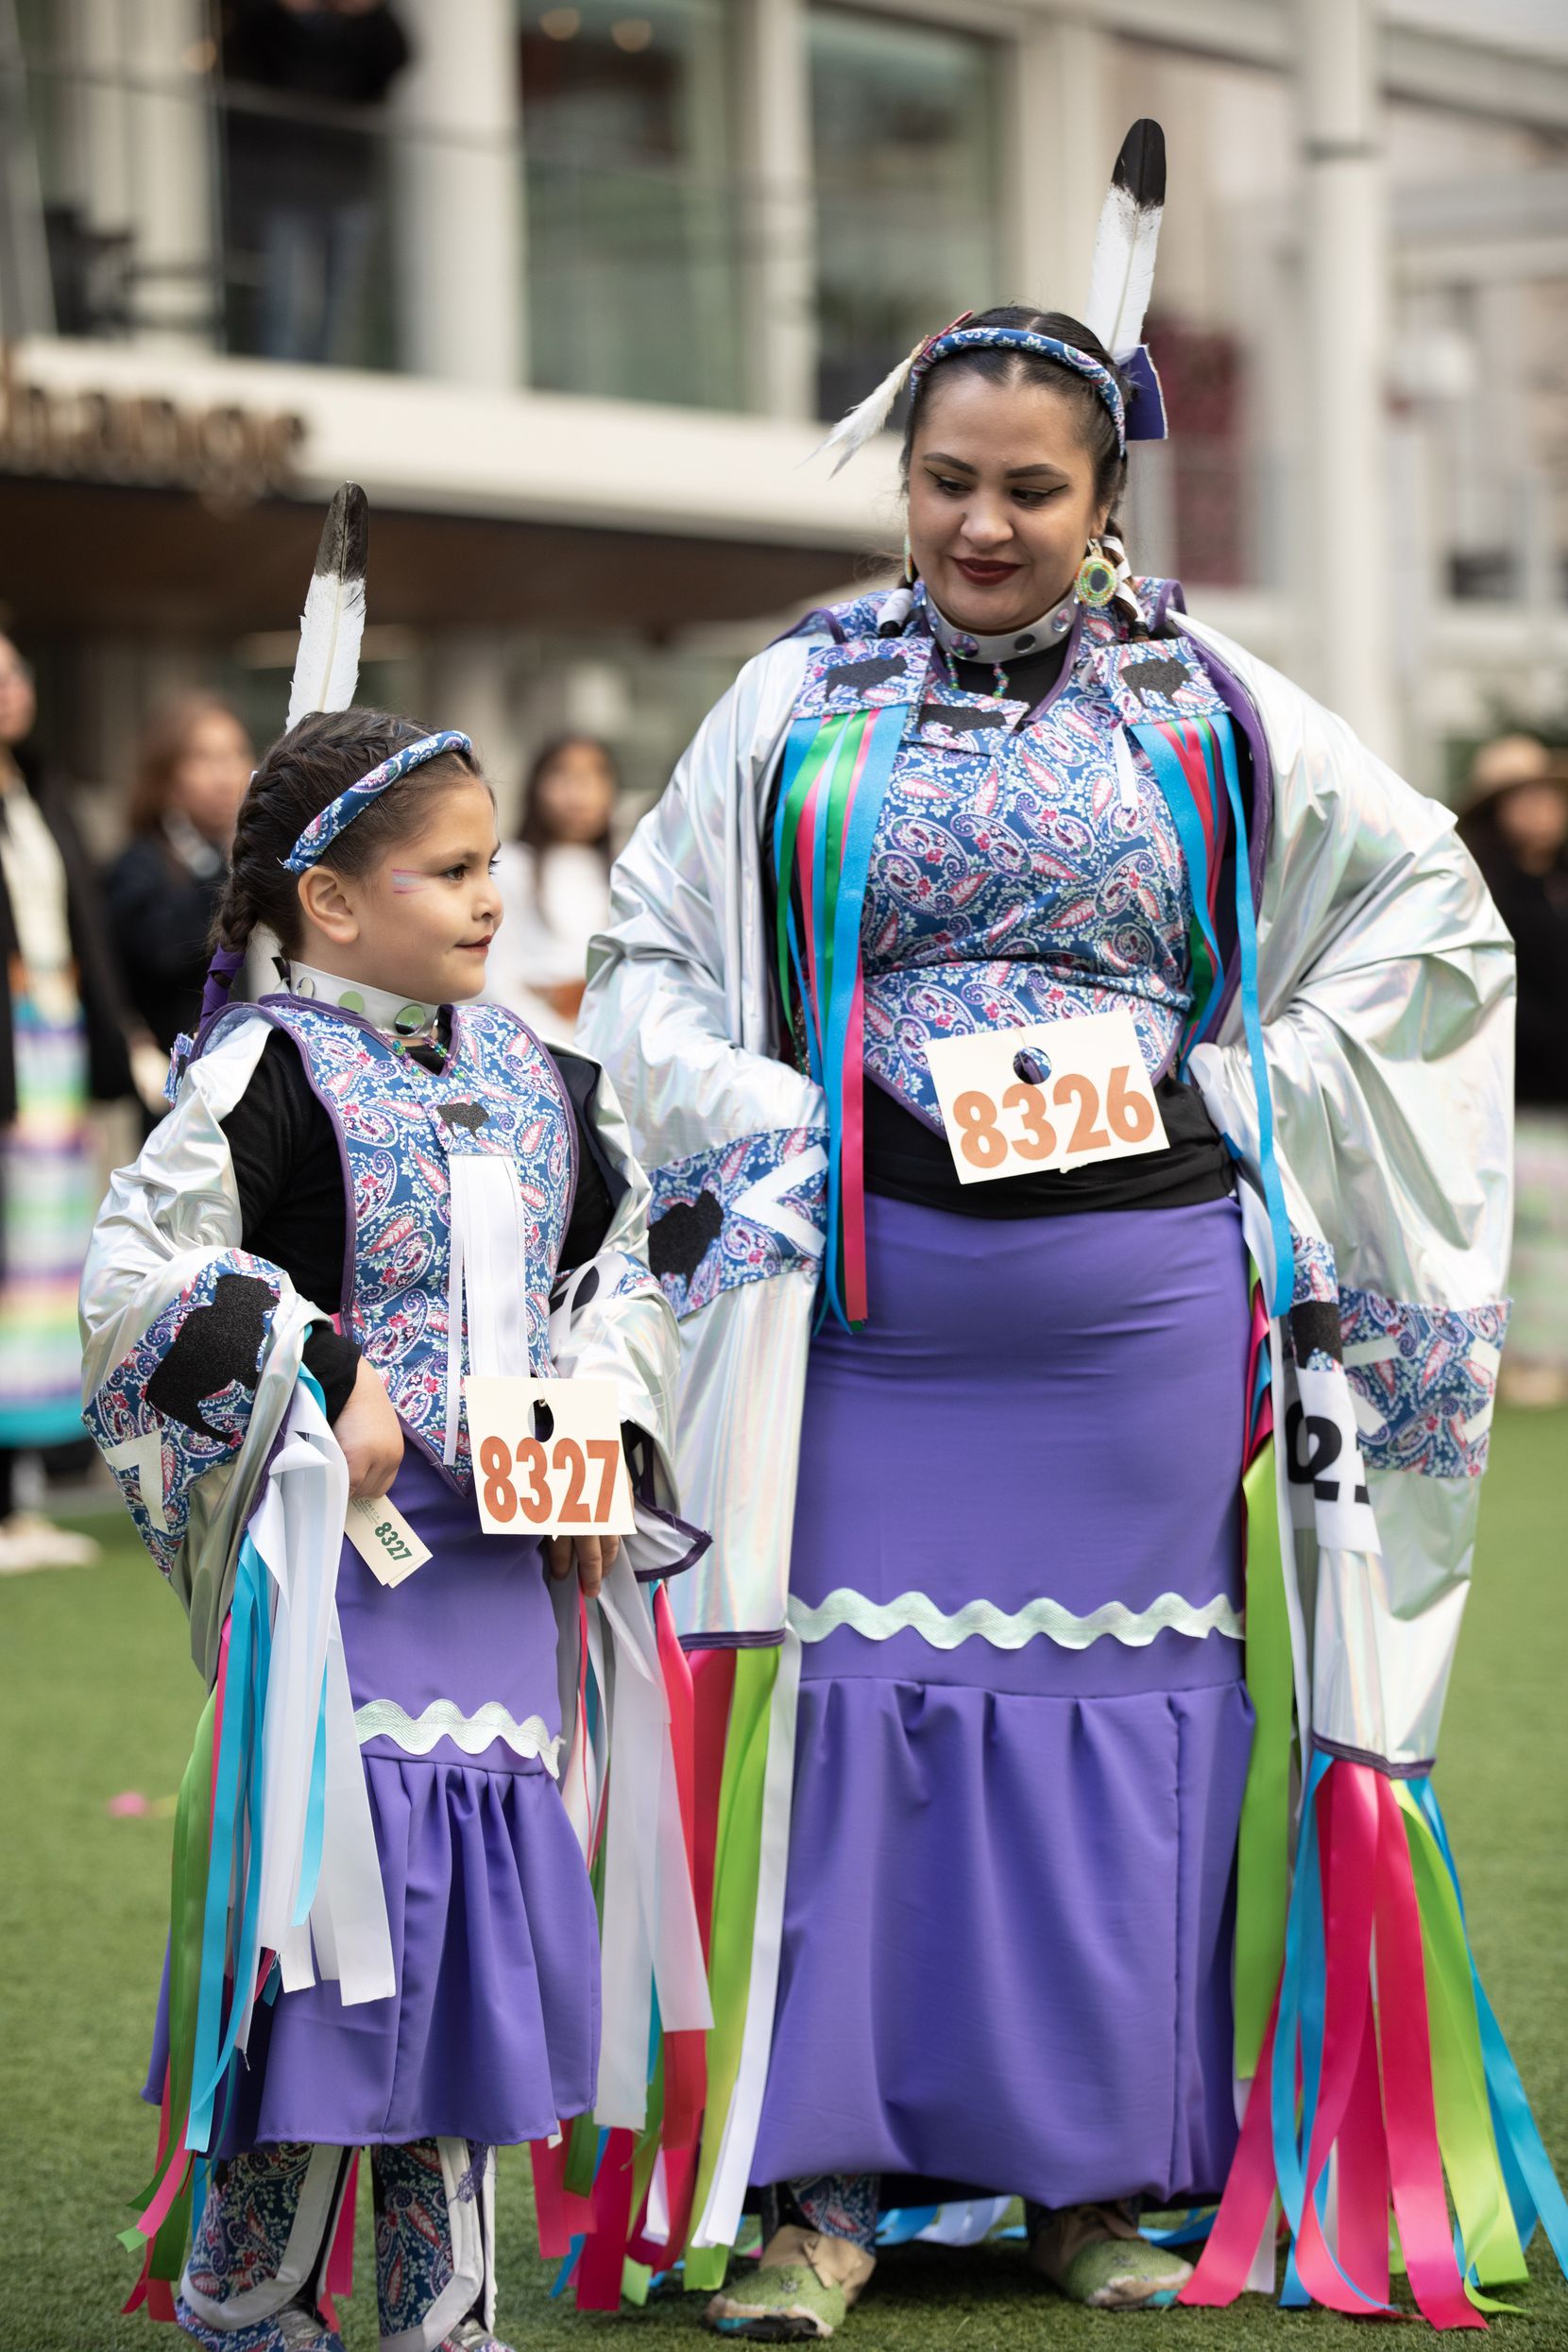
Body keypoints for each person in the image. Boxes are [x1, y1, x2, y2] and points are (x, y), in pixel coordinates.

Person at [578, 122, 1563, 2336]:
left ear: (1108, 497)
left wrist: (1231, 1085)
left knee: (1138, 1733)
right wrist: (750, 1099)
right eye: (948, 479)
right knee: (854, 1718)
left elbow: (1430, 920)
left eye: (1032, 487)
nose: (984, 523)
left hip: (1132, 1307)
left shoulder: (1212, 707)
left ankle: (1098, 2174)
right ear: (900, 476)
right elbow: (641, 965)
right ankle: (826, 2187)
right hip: (870, 1308)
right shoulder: (792, 703)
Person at [79, 494, 707, 2352]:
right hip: (344, 1586)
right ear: (328, 904)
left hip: (509, 1578)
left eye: (492, 858)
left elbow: (633, 1270)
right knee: (323, 1926)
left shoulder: (546, 1073)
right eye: (446, 871)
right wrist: (317, 1363)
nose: (491, 894)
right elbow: (145, 1283)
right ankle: (247, 2289)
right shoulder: (267, 1072)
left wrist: (600, 1420)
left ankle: (441, 2302)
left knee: (472, 1933)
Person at [0, 631, 135, 1574]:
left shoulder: (42, 794)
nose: (9, 689)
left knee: (45, 1276)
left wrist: (117, 1042)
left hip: (49, 1048)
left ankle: (24, 1496)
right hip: (11, 1050)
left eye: (13, 670)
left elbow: (85, 933)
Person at [1458, 733, 1568, 1408]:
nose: (1538, 809)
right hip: (1511, 1093)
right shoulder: (1479, 890)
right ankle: (1523, 1360)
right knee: (1522, 1231)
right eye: (1520, 797)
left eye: (1545, 794)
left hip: (1557, 1094)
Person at [220, 0, 411, 366]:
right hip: (286, 185)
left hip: (347, 184)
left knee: (341, 303)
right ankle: (280, 380)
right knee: (283, 300)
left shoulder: (354, 31)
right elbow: (245, 64)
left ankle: (332, 377)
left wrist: (368, 13)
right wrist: (286, 14)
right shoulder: (266, 28)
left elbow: (394, 62)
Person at [105, 693, 253, 1057]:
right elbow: (166, 953)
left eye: (235, 755)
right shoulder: (137, 866)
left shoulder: (249, 858)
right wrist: (232, 863)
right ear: (166, 774)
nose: (226, 775)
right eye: (205, 758)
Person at [486, 736, 616, 1042]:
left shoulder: (627, 871)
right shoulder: (509, 867)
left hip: (608, 1040)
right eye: (563, 774)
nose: (580, 790)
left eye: (595, 774)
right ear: (536, 786)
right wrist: (567, 1044)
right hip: (539, 1041)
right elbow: (498, 981)